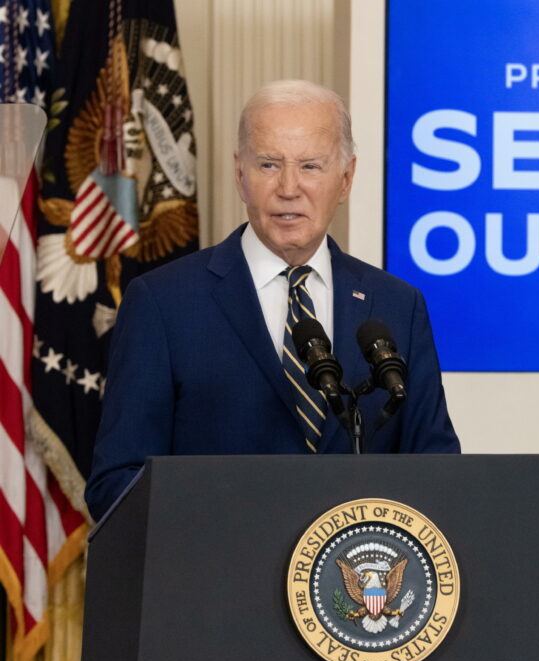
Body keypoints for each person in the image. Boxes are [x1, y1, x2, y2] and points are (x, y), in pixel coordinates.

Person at [85, 80, 460, 520]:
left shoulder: (397, 306)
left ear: (346, 178)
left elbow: (440, 476)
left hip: (354, 584)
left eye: (310, 166)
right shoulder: (163, 303)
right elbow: (116, 483)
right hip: (215, 578)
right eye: (268, 164)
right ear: (240, 175)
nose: (288, 188)